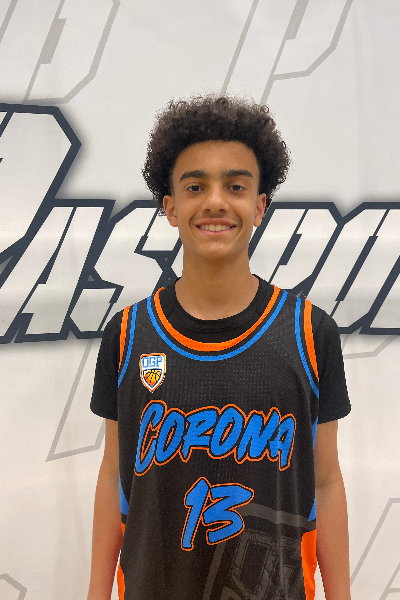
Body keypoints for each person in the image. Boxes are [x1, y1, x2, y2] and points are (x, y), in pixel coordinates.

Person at [88, 95, 351, 600]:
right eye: (194, 186)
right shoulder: (127, 334)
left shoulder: (310, 333)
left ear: (259, 206)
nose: (214, 202)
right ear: (170, 207)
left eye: (235, 186)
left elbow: (326, 481)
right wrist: (95, 593)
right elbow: (113, 475)